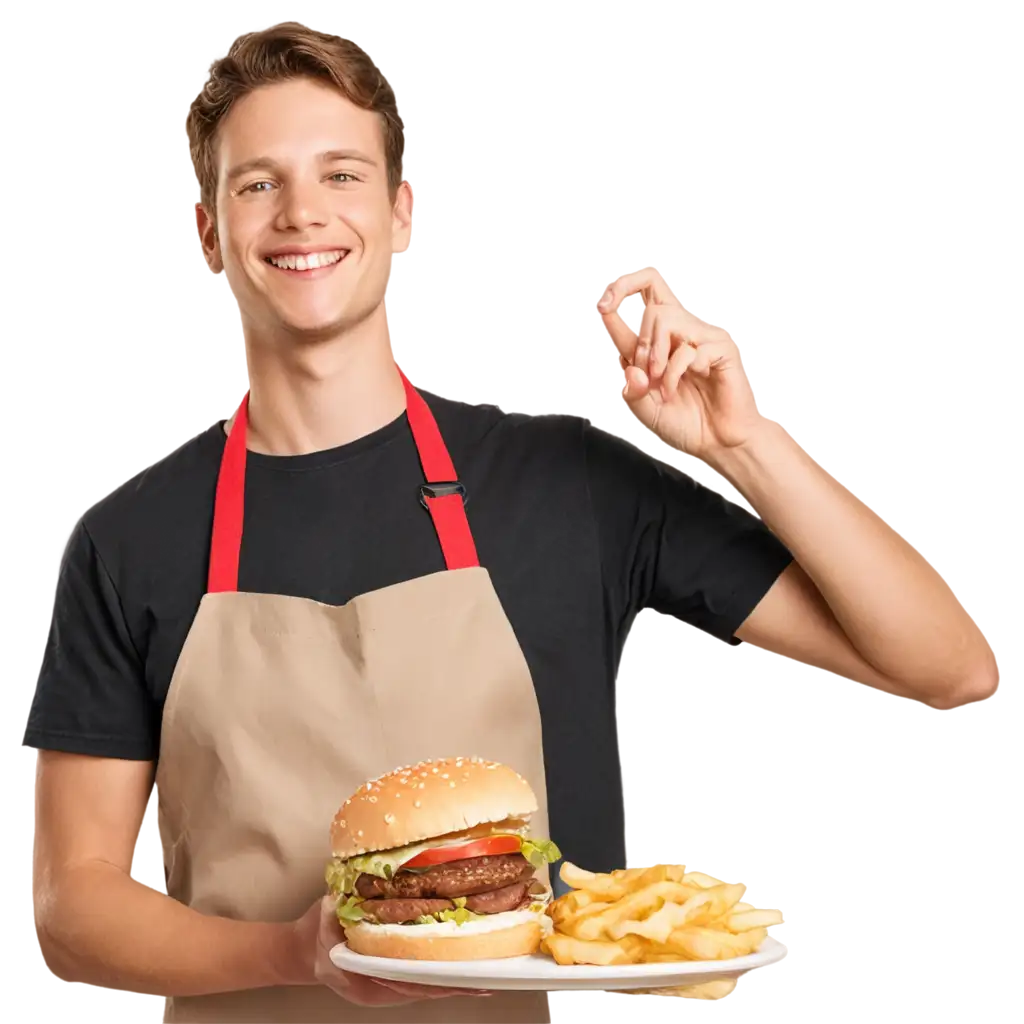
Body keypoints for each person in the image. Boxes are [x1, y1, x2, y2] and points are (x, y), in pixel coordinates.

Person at [21, 19, 994, 1023]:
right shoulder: (129, 538)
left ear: (401, 214)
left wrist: (742, 445)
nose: (303, 213)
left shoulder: (565, 483)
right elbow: (72, 900)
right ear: (207, 235)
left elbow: (946, 666)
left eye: (341, 176)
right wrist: (292, 951)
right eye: (257, 182)